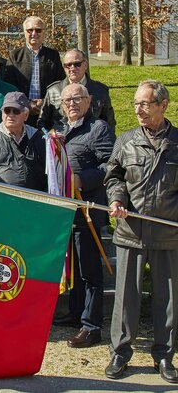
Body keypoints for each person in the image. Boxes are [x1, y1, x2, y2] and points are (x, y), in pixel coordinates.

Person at [104, 80, 178, 384]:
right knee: (126, 298)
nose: (138, 110)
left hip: (167, 235)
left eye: (145, 104)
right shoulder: (126, 140)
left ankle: (164, 356)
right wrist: (116, 199)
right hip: (130, 233)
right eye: (135, 103)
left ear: (163, 105)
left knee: (168, 300)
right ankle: (120, 352)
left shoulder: (177, 143)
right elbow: (114, 177)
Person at [50, 84, 115, 348]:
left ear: (88, 102)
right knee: (74, 267)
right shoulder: (59, 129)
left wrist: (83, 179)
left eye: (77, 99)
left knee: (89, 271)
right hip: (64, 210)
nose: (72, 104)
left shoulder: (98, 129)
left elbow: (110, 165)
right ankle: (76, 313)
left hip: (87, 208)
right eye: (67, 100)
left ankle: (91, 326)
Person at [0, 91, 47, 191]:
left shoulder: (39, 139)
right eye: (7, 110)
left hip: (33, 199)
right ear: (2, 113)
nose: (11, 115)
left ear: (26, 115)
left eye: (16, 111)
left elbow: (49, 175)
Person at [38, 49, 116, 132]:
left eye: (77, 64)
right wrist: (50, 137)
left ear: (85, 65)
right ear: (64, 67)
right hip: (60, 139)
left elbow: (109, 124)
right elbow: (42, 123)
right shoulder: (53, 91)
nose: (72, 68)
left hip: (91, 138)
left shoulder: (99, 90)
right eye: (68, 65)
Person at [7, 16, 64, 125]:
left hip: (48, 111)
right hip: (21, 111)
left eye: (38, 30)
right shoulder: (14, 55)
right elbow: (10, 84)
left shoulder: (53, 55)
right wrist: (27, 103)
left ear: (44, 33)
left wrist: (44, 101)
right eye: (30, 30)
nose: (34, 33)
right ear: (24, 32)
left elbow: (60, 83)